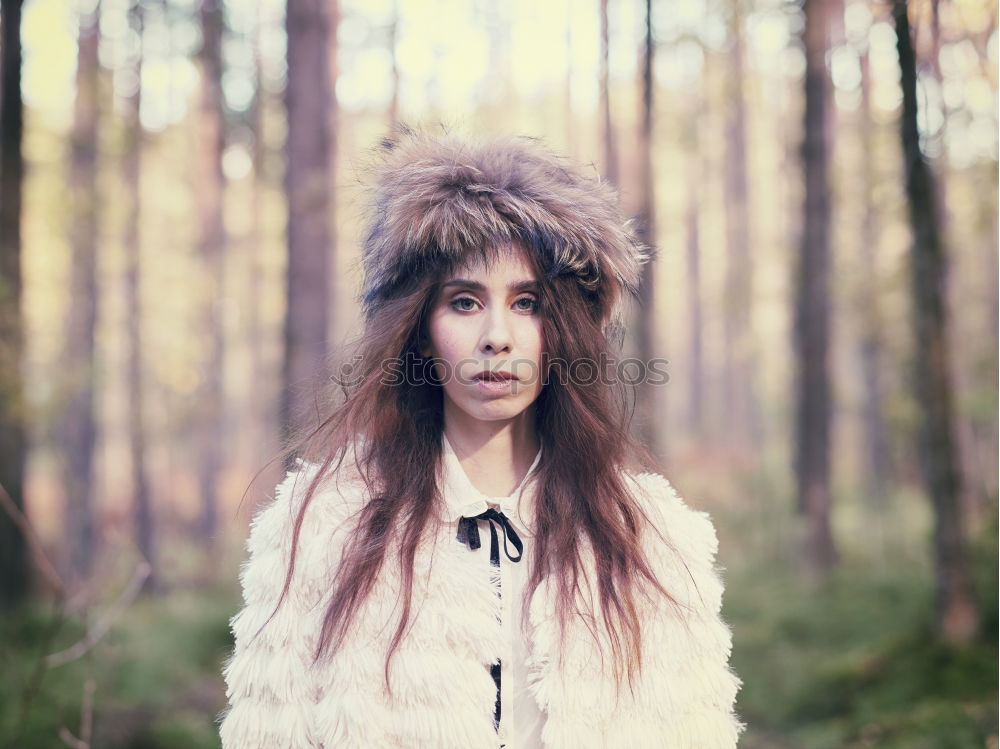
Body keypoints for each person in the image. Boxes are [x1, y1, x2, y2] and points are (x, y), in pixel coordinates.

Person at [218, 126, 746, 748]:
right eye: (465, 302)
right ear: (418, 327)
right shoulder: (322, 523)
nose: (497, 336)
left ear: (566, 330)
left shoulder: (653, 536)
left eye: (527, 303)